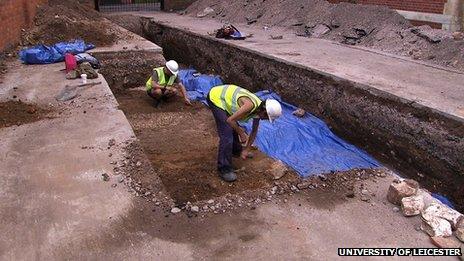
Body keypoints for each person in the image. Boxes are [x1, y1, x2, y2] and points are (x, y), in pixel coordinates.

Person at [207, 84, 282, 182]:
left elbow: (254, 131)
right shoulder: (249, 106)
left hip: (225, 101)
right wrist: (241, 133)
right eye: (267, 117)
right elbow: (230, 120)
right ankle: (224, 169)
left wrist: (246, 149)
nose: (266, 119)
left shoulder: (258, 111)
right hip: (216, 97)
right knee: (227, 135)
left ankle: (236, 150)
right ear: (264, 111)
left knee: (233, 126)